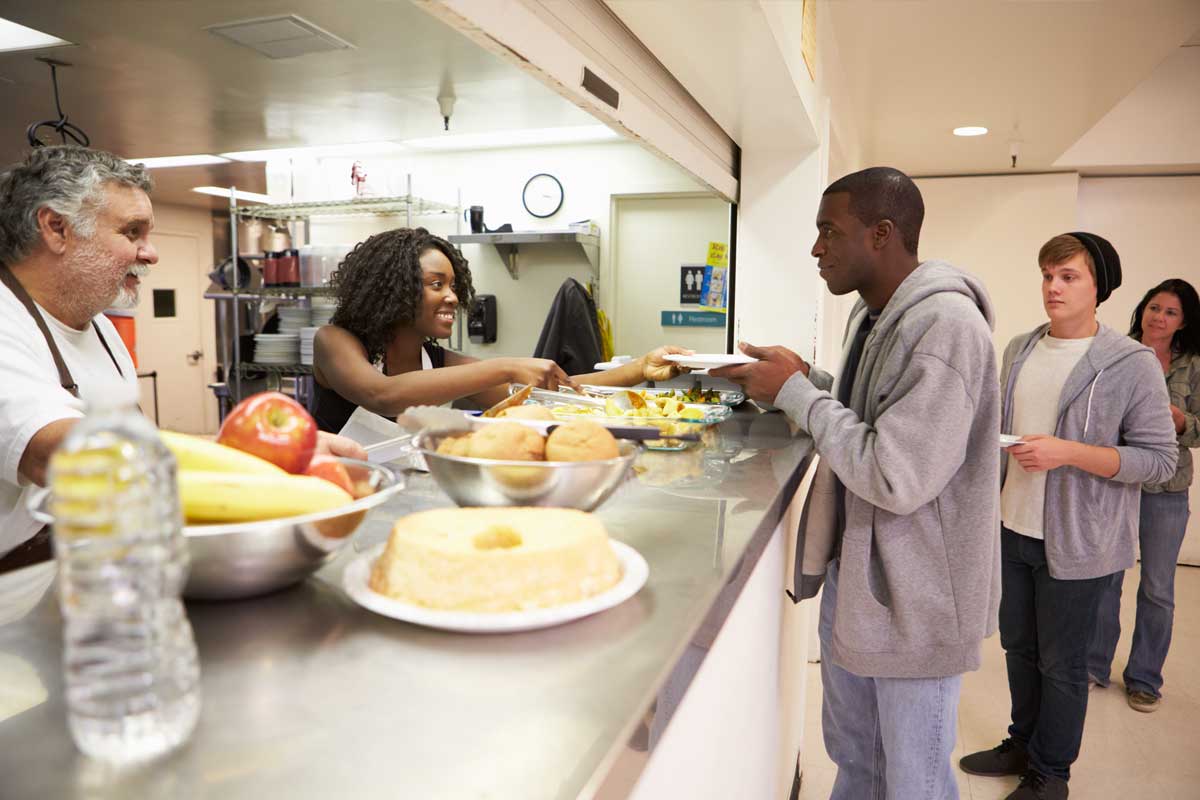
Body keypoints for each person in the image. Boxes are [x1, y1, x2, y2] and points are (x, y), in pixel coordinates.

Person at [711, 167, 1001, 800]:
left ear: (882, 234)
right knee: (856, 761)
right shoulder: (871, 317)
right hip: (863, 583)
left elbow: (895, 473)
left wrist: (793, 394)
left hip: (916, 603)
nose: (817, 249)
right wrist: (798, 380)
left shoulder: (946, 328)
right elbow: (871, 414)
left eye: (828, 231)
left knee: (913, 781)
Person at [0, 145, 362, 572]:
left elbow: (137, 450)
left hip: (100, 562)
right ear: (56, 228)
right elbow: (60, 454)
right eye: (132, 232)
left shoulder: (100, 328)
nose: (151, 253)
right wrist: (255, 463)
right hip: (21, 585)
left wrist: (261, 453)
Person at [960, 234, 1177, 800]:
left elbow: (1158, 460)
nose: (1053, 287)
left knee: (1062, 664)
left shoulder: (1130, 363)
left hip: (1081, 544)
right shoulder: (1020, 348)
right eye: (1047, 275)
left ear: (1099, 286)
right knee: (1018, 648)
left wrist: (1067, 452)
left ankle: (1051, 774)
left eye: (1069, 277)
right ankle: (1021, 742)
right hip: (1013, 528)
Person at [311, 226, 691, 431]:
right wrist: (506, 366)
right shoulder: (335, 342)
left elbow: (549, 396)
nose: (453, 298)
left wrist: (641, 368)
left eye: (454, 286)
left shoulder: (436, 360)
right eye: (436, 284)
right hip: (337, 499)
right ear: (392, 289)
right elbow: (382, 394)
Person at [1087, 278, 1200, 713]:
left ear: (1183, 321)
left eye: (1170, 312)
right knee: (1107, 578)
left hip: (1168, 489)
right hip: (1119, 483)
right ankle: (1095, 665)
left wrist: (1177, 421)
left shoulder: (1194, 366)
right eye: (1154, 307)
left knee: (1157, 588)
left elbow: (1198, 428)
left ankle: (1144, 678)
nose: (1159, 317)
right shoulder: (1118, 352)